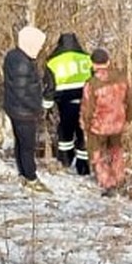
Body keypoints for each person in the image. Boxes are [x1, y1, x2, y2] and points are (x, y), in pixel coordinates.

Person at [1, 25, 56, 193]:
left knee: (20, 144)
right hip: (24, 112)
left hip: (15, 109)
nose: (40, 48)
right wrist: (38, 108)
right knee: (27, 146)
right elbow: (23, 93)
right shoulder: (23, 65)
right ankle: (31, 179)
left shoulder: (14, 56)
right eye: (38, 45)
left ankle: (23, 174)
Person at [80, 47, 132, 196]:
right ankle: (119, 179)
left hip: (99, 125)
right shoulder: (122, 78)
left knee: (97, 154)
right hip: (118, 123)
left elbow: (87, 108)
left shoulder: (92, 83)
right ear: (108, 61)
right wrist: (128, 118)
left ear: (93, 64)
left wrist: (86, 125)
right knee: (116, 151)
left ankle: (108, 184)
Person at [45, 32, 93, 175]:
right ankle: (83, 167)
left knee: (65, 134)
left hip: (65, 104)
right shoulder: (86, 58)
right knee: (82, 134)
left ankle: (65, 162)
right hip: (86, 102)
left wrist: (46, 108)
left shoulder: (52, 62)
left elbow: (50, 88)